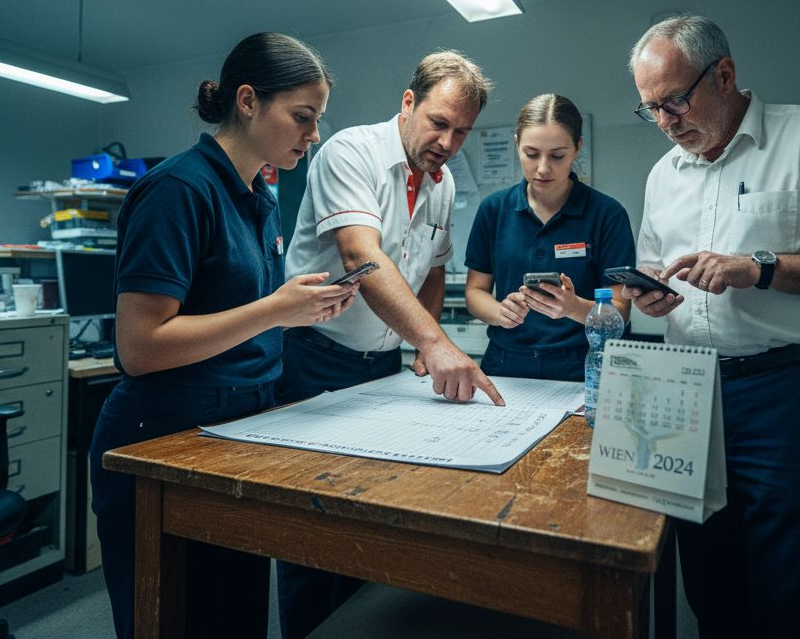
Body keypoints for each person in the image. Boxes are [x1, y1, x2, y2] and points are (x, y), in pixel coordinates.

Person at [623, 15, 800, 638]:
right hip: (688, 393)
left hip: (786, 393)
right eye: (651, 109)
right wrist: (650, 295)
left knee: (791, 588)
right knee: (709, 582)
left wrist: (761, 268)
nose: (666, 122)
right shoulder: (663, 174)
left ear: (724, 75)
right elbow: (654, 266)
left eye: (675, 101)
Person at [88, 32, 358, 639]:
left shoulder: (258, 194)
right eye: (302, 117)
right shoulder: (179, 189)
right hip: (163, 437)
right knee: (176, 621)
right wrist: (273, 310)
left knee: (235, 619)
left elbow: (240, 314)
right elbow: (140, 347)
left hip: (237, 431)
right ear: (248, 100)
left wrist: (296, 311)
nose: (313, 135)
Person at [274, 50, 504, 639]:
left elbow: (434, 268)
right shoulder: (350, 152)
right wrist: (437, 341)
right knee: (310, 524)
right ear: (408, 103)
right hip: (313, 358)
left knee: (366, 515)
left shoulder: (443, 183)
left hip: (379, 365)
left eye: (461, 132)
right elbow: (360, 253)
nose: (448, 142)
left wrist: (423, 348)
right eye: (438, 123)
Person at [464, 93, 634, 380]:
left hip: (580, 366)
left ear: (578, 147)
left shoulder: (607, 214)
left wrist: (574, 307)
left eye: (557, 156)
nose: (543, 168)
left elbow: (620, 311)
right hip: (505, 363)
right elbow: (475, 292)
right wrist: (499, 312)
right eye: (531, 154)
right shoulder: (494, 210)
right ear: (517, 144)